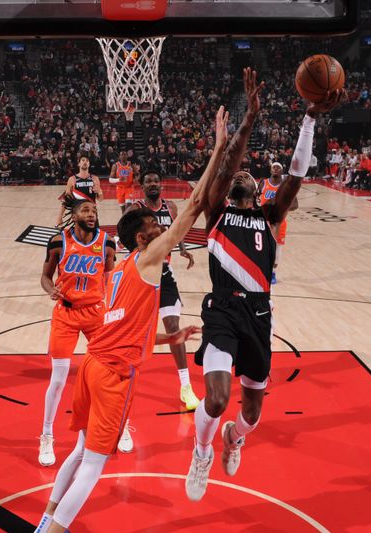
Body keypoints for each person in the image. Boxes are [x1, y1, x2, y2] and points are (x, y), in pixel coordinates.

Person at [35, 105, 229, 533]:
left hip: (92, 365)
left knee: (80, 450)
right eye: (156, 227)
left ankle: (46, 517)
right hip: (113, 377)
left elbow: (122, 328)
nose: (163, 227)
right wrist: (217, 148)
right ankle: (54, 530)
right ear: (143, 237)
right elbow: (195, 204)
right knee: (96, 464)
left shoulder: (121, 269)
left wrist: (169, 340)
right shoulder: (149, 257)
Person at [185, 68, 345, 501]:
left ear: (257, 190)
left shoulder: (269, 217)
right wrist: (250, 118)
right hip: (220, 309)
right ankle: (201, 451)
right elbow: (229, 160)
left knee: (251, 413)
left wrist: (309, 120)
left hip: (258, 314)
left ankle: (234, 437)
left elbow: (295, 174)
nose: (240, 177)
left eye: (247, 178)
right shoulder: (216, 209)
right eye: (236, 175)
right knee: (216, 400)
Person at [39, 195, 116, 467]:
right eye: (86, 209)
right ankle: (47, 435)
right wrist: (51, 290)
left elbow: (109, 273)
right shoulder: (59, 241)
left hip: (95, 313)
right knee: (59, 380)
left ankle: (122, 423)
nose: (92, 214)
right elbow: (45, 276)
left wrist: (109, 301)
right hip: (66, 313)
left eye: (94, 210)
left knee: (110, 372)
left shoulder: (107, 242)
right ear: (74, 214)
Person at [125, 171, 201, 411]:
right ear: (143, 186)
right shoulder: (135, 209)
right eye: (148, 181)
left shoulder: (171, 207)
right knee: (135, 331)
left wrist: (183, 249)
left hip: (165, 275)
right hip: (143, 276)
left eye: (156, 181)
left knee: (172, 327)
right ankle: (124, 379)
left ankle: (186, 386)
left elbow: (176, 232)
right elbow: (124, 234)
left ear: (161, 184)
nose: (153, 184)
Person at [257, 161, 298, 284]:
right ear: (270, 170)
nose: (275, 169)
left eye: (278, 167)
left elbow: (295, 204)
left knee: (277, 249)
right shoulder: (263, 183)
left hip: (279, 221)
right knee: (261, 247)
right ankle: (260, 271)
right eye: (273, 167)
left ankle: (273, 273)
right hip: (263, 220)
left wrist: (282, 207)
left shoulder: (286, 187)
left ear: (281, 171)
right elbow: (255, 199)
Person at [54, 155, 104, 227]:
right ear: (79, 164)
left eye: (87, 161)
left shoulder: (95, 179)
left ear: (89, 164)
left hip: (92, 214)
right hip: (78, 215)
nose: (85, 162)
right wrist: (59, 217)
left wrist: (99, 191)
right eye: (83, 160)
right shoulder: (72, 179)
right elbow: (66, 200)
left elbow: (101, 199)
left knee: (95, 237)